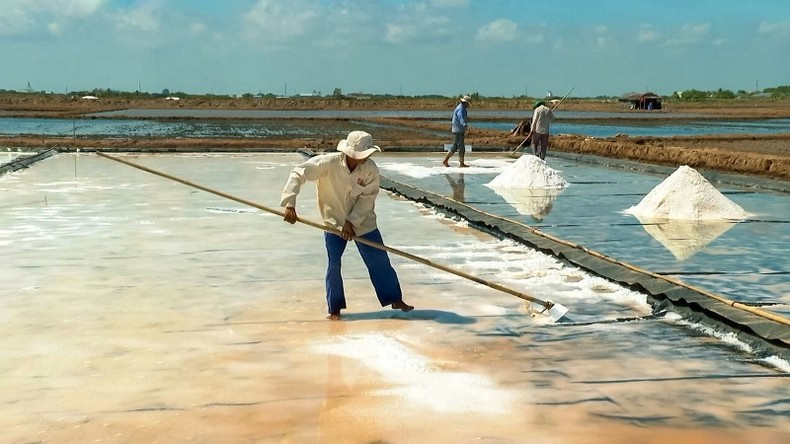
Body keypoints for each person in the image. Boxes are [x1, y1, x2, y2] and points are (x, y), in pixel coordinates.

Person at [280, 130, 414, 320]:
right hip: (333, 221)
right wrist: (290, 203)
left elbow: (367, 199)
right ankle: (334, 308)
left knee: (379, 260)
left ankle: (394, 298)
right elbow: (298, 174)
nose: (364, 158)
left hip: (363, 222)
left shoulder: (370, 170)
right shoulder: (328, 163)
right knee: (334, 264)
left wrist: (351, 222)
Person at [442, 95, 470, 168]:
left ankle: (446, 160)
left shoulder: (461, 108)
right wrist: (464, 125)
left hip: (457, 129)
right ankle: (461, 163)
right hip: (458, 130)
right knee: (461, 147)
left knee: (455, 146)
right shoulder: (461, 109)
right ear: (466, 103)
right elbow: (461, 118)